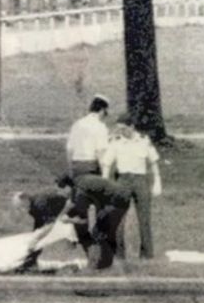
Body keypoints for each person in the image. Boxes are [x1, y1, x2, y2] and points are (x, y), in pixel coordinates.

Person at [102, 113, 163, 259]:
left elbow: (153, 162)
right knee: (118, 219)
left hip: (140, 180)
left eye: (123, 129)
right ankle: (119, 254)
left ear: (132, 127)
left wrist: (157, 182)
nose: (120, 132)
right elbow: (106, 163)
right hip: (123, 180)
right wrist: (105, 183)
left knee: (144, 218)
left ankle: (147, 254)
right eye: (118, 129)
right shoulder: (115, 142)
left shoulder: (143, 140)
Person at [58, 173, 132, 270]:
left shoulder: (80, 192)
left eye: (61, 189)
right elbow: (70, 203)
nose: (61, 193)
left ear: (67, 186)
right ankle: (110, 263)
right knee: (107, 229)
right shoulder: (79, 181)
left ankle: (113, 264)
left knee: (104, 231)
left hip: (117, 200)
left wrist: (71, 221)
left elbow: (87, 216)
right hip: (120, 196)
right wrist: (59, 217)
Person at [66, 94, 110, 178]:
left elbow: (70, 150)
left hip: (76, 166)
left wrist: (70, 170)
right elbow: (100, 152)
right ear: (102, 110)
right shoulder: (100, 127)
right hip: (91, 166)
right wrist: (105, 175)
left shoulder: (77, 124)